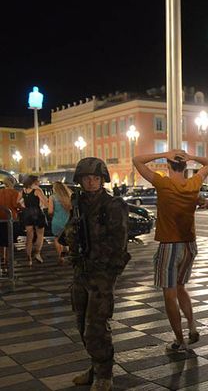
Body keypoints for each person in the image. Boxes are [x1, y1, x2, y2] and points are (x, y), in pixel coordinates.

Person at [133, 149, 208, 352]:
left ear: (169, 166)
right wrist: (192, 157)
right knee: (181, 287)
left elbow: (138, 160)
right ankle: (192, 326)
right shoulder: (194, 183)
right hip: (189, 245)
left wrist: (165, 153)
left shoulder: (163, 183)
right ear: (185, 167)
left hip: (169, 245)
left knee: (170, 295)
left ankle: (180, 341)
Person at [66, 158, 131, 391]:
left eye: (95, 178)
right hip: (81, 271)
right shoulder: (78, 203)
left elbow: (120, 241)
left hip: (102, 274)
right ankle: (95, 367)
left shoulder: (113, 205)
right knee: (81, 323)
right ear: (80, 180)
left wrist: (109, 270)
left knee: (96, 326)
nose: (91, 182)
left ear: (102, 179)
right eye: (86, 178)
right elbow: (72, 229)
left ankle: (104, 374)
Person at [20, 175, 48, 266]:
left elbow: (18, 201)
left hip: (27, 214)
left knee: (29, 236)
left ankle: (29, 258)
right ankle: (37, 253)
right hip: (37, 213)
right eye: (38, 180)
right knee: (40, 235)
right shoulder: (37, 191)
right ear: (34, 182)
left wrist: (25, 206)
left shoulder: (23, 191)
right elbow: (46, 203)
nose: (39, 182)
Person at [48, 181, 72, 264]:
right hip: (68, 221)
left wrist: (52, 214)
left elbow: (50, 211)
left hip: (57, 221)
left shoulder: (52, 197)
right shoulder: (69, 196)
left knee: (57, 239)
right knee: (69, 239)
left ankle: (61, 257)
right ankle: (69, 255)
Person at [0, 177, 21, 274]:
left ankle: (2, 259)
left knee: (1, 240)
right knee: (10, 240)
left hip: (0, 218)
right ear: (13, 183)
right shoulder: (14, 193)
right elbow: (15, 204)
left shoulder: (0, 192)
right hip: (11, 218)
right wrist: (21, 207)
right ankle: (9, 261)